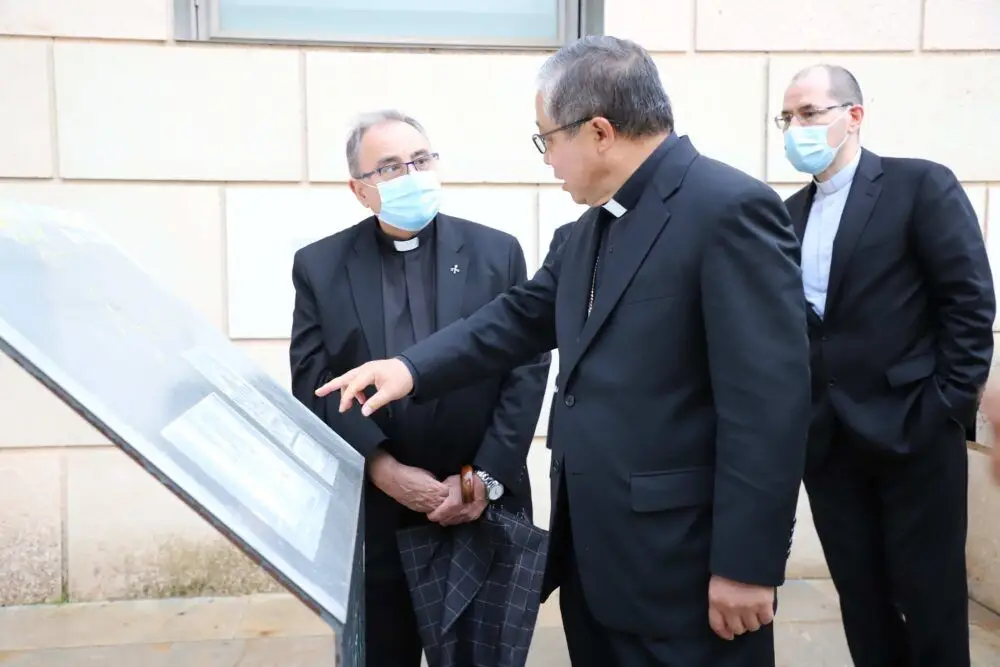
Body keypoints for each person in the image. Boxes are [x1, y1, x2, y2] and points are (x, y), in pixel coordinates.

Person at [317, 37, 811, 667]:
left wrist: (747, 565)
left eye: (547, 139)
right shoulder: (585, 232)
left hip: (684, 566)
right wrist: (408, 369)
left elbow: (769, 407)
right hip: (597, 565)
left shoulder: (727, 210)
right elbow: (517, 318)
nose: (547, 158)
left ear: (599, 132)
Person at [288, 109, 550, 667]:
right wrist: (382, 470)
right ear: (359, 190)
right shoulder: (319, 266)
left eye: (420, 159)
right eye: (389, 167)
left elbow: (526, 366)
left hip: (479, 502)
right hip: (377, 513)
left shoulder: (495, 252)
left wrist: (484, 478)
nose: (411, 175)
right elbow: (314, 380)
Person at [778, 64, 995, 667]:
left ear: (854, 116)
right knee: (862, 601)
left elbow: (969, 302)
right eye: (786, 117)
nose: (795, 127)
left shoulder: (918, 185)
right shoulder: (787, 215)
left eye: (809, 112)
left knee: (930, 602)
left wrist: (946, 407)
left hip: (914, 431)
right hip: (829, 443)